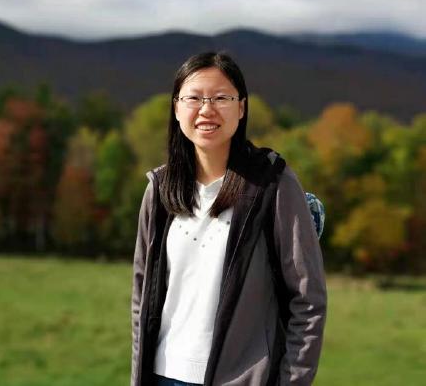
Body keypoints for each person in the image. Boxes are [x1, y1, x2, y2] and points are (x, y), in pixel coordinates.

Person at [131, 52, 327, 386]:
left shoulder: (272, 184)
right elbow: (141, 297)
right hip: (163, 376)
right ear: (176, 108)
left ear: (242, 108)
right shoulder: (161, 188)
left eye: (221, 98)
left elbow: (307, 300)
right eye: (194, 98)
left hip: (242, 378)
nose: (206, 109)